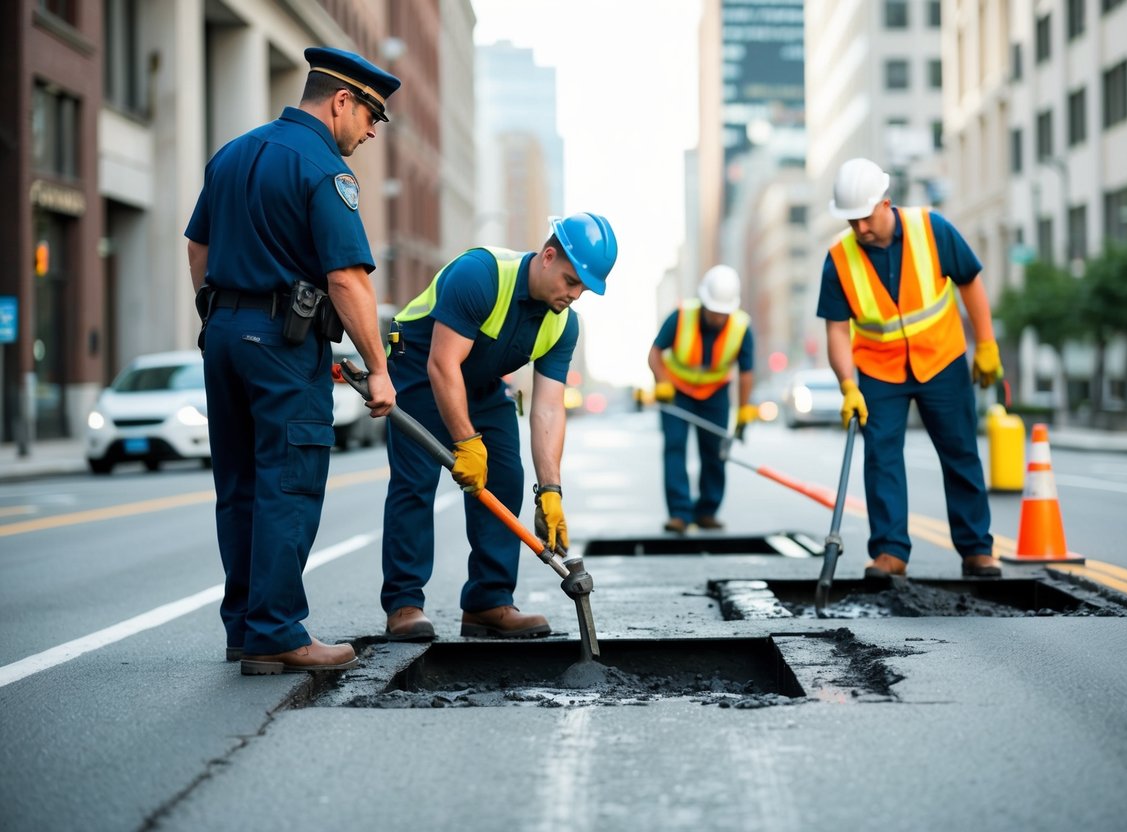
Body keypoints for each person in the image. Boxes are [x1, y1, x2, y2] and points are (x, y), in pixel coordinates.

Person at [184, 47, 399, 674]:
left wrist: (217, 312)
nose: (369, 133)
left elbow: (198, 244)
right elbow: (348, 280)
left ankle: (246, 628)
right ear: (341, 101)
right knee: (288, 482)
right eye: (370, 118)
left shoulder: (232, 153)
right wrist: (379, 369)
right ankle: (276, 631)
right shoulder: (323, 168)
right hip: (282, 342)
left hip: (223, 333)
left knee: (241, 485)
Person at [379, 213, 618, 641]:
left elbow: (547, 408)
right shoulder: (481, 275)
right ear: (547, 257)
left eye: (583, 288)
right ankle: (404, 604)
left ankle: (488, 602)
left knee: (506, 475)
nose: (575, 295)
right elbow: (441, 363)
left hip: (483, 381)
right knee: (415, 482)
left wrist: (552, 491)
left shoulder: (564, 323)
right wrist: (467, 443)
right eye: (570, 280)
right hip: (420, 365)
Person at [816, 157, 1004, 579]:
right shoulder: (839, 259)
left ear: (885, 202)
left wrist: (987, 344)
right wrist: (848, 384)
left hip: (942, 360)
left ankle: (977, 550)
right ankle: (890, 552)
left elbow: (970, 280)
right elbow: (837, 332)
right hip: (879, 372)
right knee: (881, 459)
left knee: (960, 453)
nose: (860, 229)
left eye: (865, 217)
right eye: (851, 222)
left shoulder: (932, 229)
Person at [648, 265, 757, 533]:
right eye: (714, 311)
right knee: (675, 448)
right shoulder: (681, 317)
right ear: (704, 302)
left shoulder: (742, 327)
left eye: (723, 313)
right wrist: (662, 383)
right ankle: (680, 514)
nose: (718, 318)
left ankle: (707, 510)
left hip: (715, 395)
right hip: (677, 393)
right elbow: (655, 353)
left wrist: (743, 412)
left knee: (715, 452)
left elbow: (746, 374)